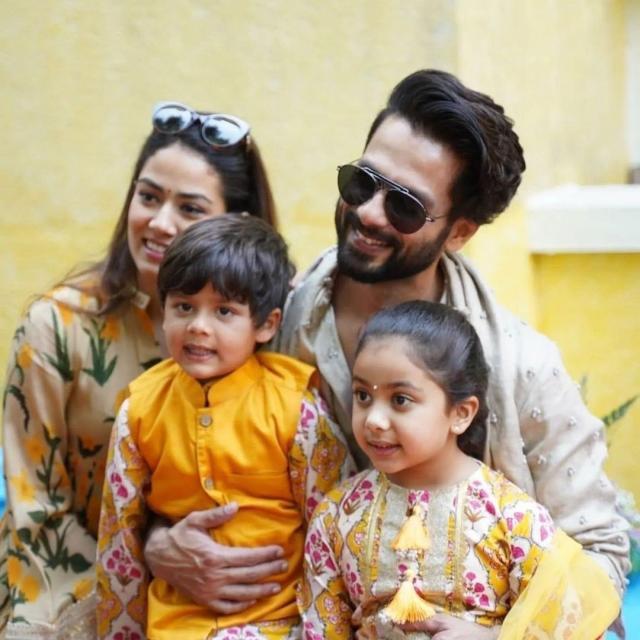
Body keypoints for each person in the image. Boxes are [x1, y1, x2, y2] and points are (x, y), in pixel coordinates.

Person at [143, 70, 630, 615]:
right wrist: (159, 546)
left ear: (460, 232)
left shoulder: (521, 367)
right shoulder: (264, 324)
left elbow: (601, 555)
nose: (369, 212)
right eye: (361, 182)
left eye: (405, 206)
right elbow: (171, 456)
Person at [0, 101, 282, 638]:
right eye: (148, 197)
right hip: (73, 593)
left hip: (236, 607)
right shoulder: (55, 328)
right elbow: (35, 512)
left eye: (190, 208)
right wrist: (142, 563)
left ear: (238, 224)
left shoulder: (265, 328)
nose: (160, 222)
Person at [96, 215, 354, 640]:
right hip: (174, 625)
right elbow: (118, 535)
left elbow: (333, 527)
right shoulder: (139, 410)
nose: (198, 326)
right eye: (184, 306)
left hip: (277, 623)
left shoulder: (296, 411)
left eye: (224, 311)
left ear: (266, 324)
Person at [299, 300, 620, 639]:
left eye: (400, 400)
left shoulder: (513, 518)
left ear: (461, 413)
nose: (374, 420)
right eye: (363, 395)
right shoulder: (336, 516)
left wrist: (491, 637)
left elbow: (580, 625)